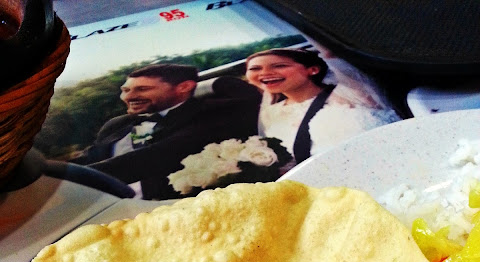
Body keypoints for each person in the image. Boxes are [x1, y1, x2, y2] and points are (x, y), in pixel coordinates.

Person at [76, 63, 261, 199]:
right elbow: (88, 158)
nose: (128, 97)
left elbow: (156, 156)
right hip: (97, 205)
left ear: (184, 87)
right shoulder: (116, 124)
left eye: (142, 89)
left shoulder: (209, 115)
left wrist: (71, 178)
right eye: (125, 90)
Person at [245, 48, 399, 165]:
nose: (265, 73)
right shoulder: (270, 114)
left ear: (313, 69)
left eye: (279, 65)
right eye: (255, 69)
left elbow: (331, 54)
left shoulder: (349, 93)